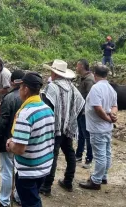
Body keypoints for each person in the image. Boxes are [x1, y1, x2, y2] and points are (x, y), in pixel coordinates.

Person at [7, 72, 55, 207]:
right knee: (35, 201)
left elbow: (20, 148)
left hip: (28, 169)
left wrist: (9, 143)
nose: (19, 90)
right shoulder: (46, 109)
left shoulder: (25, 114)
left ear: (26, 89)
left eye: (20, 87)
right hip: (43, 166)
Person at [39, 59, 85, 196]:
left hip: (55, 127)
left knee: (52, 154)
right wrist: (71, 119)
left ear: (54, 73)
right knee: (69, 152)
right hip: (68, 127)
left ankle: (46, 186)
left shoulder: (51, 87)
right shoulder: (72, 88)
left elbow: (46, 108)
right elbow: (82, 105)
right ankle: (68, 181)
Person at [0, 70, 25, 207]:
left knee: (7, 170)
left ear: (12, 82)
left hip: (8, 140)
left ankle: (4, 200)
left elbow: (2, 121)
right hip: (23, 140)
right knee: (20, 169)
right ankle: (19, 196)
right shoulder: (30, 97)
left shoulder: (9, 98)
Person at [78, 65, 117, 190]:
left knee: (100, 154)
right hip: (107, 127)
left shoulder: (96, 88)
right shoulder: (111, 88)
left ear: (95, 74)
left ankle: (96, 181)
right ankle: (103, 176)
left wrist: (107, 118)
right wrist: (113, 116)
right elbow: (115, 106)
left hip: (97, 126)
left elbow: (97, 108)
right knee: (106, 152)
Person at [75, 59, 95, 169]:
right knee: (81, 135)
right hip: (81, 111)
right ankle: (78, 155)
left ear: (82, 66)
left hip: (85, 112)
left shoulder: (89, 80)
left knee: (87, 135)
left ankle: (89, 158)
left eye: (77, 66)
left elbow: (90, 97)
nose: (76, 68)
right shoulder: (84, 78)